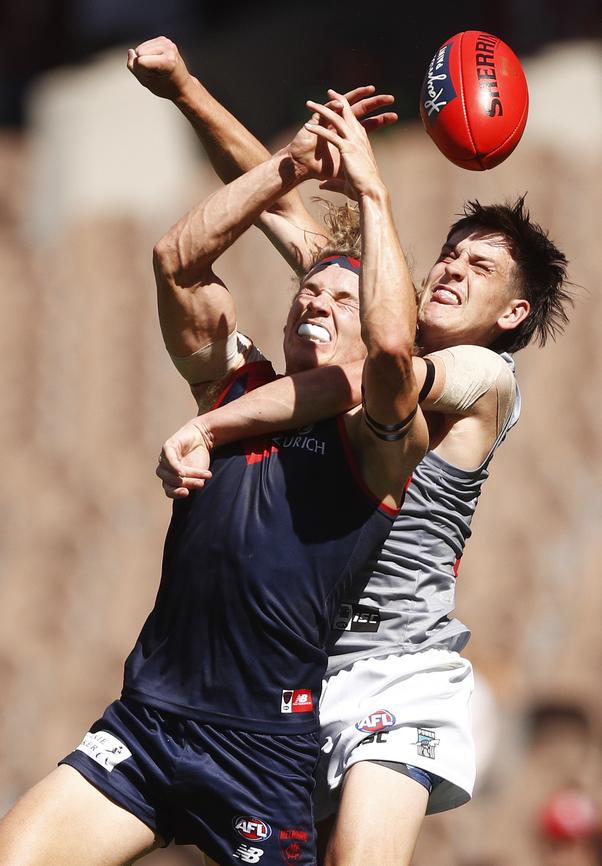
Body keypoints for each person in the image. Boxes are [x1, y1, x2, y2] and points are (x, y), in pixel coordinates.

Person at [130, 37, 572, 866]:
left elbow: (382, 372)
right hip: (296, 668)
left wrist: (213, 424)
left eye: (479, 269)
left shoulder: (484, 375)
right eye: (449, 254)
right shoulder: (376, 299)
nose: (450, 270)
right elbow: (271, 196)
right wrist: (186, 87)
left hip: (398, 670)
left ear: (511, 316)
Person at [0, 80, 429, 866]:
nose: (314, 300)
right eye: (307, 289)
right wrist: (287, 168)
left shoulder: (381, 434)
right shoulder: (234, 383)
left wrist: (372, 192)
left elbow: (386, 356)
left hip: (260, 750)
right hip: (147, 724)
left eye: (343, 296)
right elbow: (176, 263)